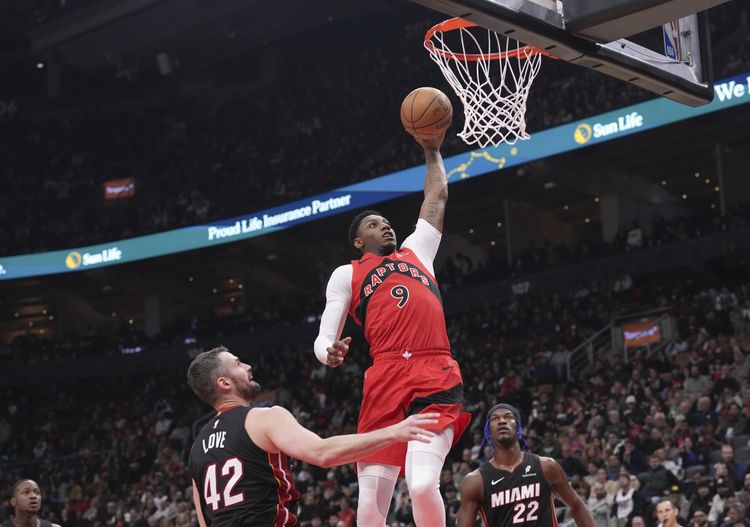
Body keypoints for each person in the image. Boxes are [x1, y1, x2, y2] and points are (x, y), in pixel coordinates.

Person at [313, 129, 470, 526]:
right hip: (385, 378)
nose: (385, 226)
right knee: (369, 509)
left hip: (433, 371)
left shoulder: (418, 251)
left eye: (386, 222)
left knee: (420, 486)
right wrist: (327, 352)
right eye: (373, 224)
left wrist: (432, 149)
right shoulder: (345, 275)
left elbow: (436, 196)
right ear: (357, 242)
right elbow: (324, 337)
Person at [186, 347, 438, 526]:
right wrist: (395, 431)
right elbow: (323, 452)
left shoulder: (196, 449)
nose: (248, 367)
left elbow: (204, 520)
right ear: (224, 383)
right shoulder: (262, 418)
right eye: (238, 364)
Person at [456, 404, 596, 527]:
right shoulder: (475, 481)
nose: (502, 421)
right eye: (495, 419)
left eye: (508, 417)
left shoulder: (546, 467)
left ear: (518, 427)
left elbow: (577, 505)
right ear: (488, 431)